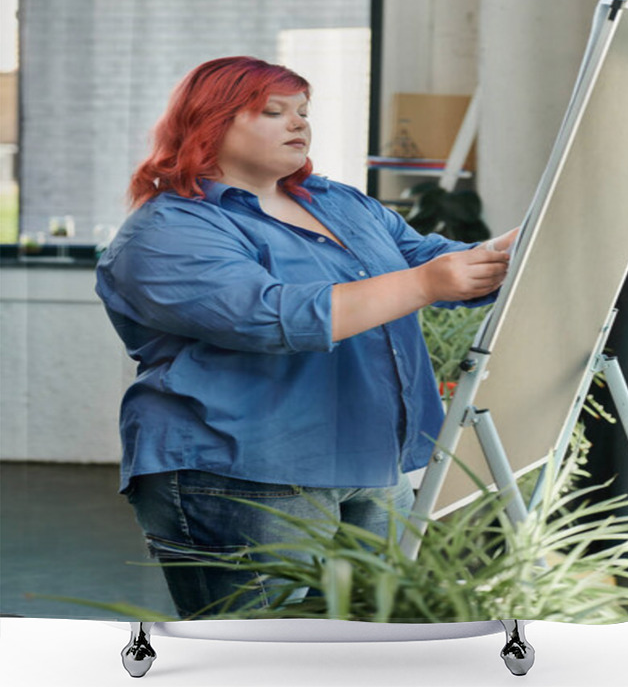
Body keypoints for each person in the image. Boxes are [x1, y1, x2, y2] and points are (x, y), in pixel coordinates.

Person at [95, 56, 517, 618]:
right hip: (244, 474)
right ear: (209, 122)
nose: (298, 124)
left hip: (369, 461)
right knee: (268, 658)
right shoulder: (168, 231)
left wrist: (519, 244)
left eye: (303, 111)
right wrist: (424, 283)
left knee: (373, 646)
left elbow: (429, 259)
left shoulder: (336, 202)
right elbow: (272, 317)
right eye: (273, 112)